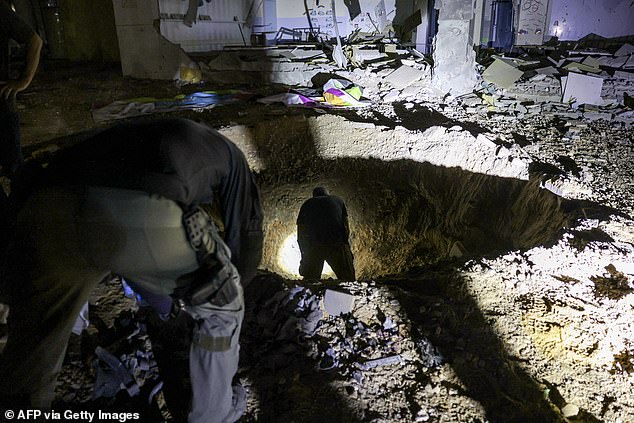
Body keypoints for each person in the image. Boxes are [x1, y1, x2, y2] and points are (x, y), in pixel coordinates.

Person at [0, 118, 264, 423]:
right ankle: (213, 417)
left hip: (44, 214)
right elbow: (246, 242)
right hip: (125, 210)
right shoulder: (231, 159)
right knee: (223, 301)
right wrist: (219, 300)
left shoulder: (132, 136)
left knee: (31, 363)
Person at [0, 0, 42, 177]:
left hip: (2, 108)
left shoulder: (1, 11)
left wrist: (24, 80)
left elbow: (35, 41)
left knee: (14, 169)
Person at [297, 186, 355, 281]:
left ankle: (312, 293)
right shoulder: (338, 200)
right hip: (336, 243)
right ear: (328, 194)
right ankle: (349, 294)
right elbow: (346, 225)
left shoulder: (307, 204)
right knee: (348, 279)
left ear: (314, 196)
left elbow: (301, 230)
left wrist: (304, 253)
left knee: (311, 280)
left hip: (315, 246)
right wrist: (345, 245)